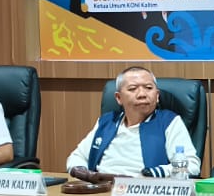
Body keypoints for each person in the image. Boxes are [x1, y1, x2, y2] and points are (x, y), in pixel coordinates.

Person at [66, 66, 199, 177]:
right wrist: (85, 174)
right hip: (101, 189)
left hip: (144, 191)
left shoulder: (168, 122)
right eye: (133, 89)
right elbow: (77, 157)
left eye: (148, 88)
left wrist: (157, 172)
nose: (142, 94)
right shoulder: (106, 122)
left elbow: (192, 165)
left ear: (157, 96)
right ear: (119, 98)